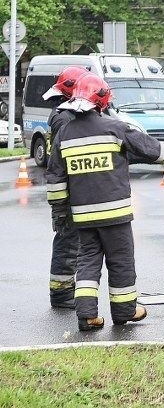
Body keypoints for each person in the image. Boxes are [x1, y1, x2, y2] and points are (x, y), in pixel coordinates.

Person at [45, 73, 164, 331]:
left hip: (82, 217)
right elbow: (148, 147)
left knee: (88, 262)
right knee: (120, 260)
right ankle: (125, 311)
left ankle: (87, 316)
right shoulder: (114, 127)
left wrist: (59, 212)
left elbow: (55, 177)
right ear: (101, 101)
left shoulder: (64, 134)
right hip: (115, 215)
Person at [41, 66, 89, 309]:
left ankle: (66, 292)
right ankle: (61, 295)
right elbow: (60, 163)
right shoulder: (65, 118)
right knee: (68, 244)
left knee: (74, 244)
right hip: (69, 193)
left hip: (73, 191)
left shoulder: (64, 115)